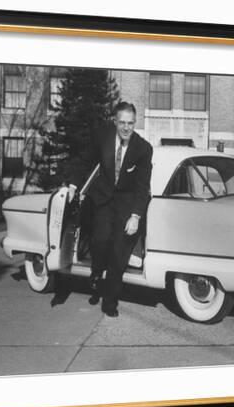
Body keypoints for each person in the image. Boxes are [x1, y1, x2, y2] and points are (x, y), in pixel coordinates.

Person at [67, 102, 153, 317]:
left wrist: (135, 216)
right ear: (115, 121)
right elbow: (85, 161)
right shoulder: (102, 137)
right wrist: (73, 185)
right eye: (122, 122)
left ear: (135, 123)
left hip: (127, 205)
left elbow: (143, 187)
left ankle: (110, 302)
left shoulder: (143, 149)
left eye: (130, 123)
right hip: (103, 200)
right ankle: (96, 271)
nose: (126, 128)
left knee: (119, 255)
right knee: (100, 240)